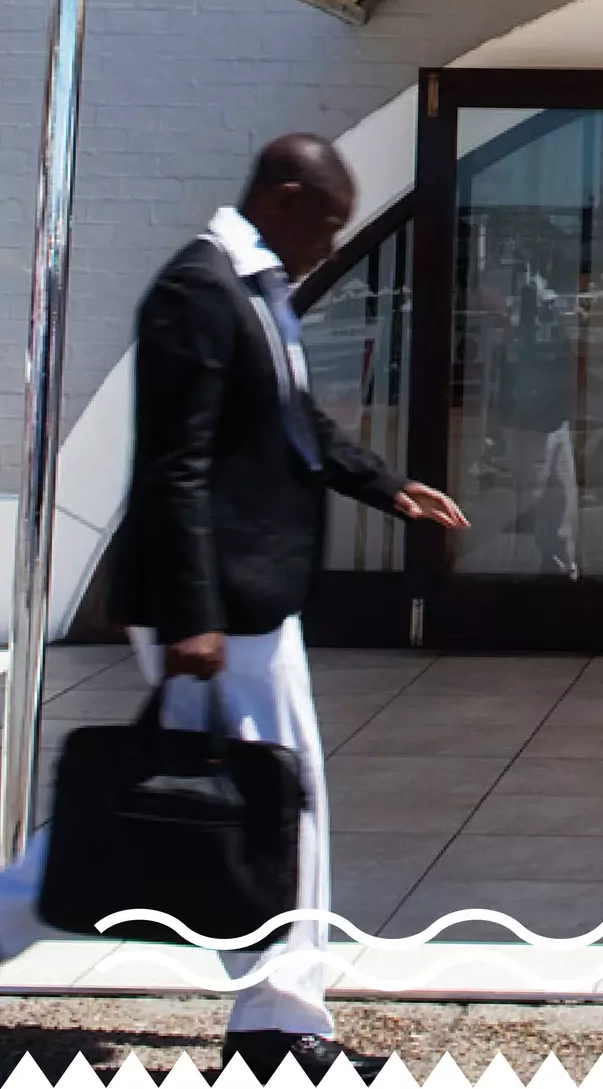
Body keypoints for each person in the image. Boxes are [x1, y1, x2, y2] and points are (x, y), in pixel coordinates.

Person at [0, 135, 468, 1079]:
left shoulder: (254, 288)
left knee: (182, 796)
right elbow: (175, 463)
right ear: (285, 198)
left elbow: (295, 420)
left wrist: (386, 485)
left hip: (244, 594)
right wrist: (193, 615)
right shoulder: (199, 289)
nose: (330, 246)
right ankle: (277, 1023)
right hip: (218, 601)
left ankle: (273, 1015)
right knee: (282, 801)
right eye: (327, 225)